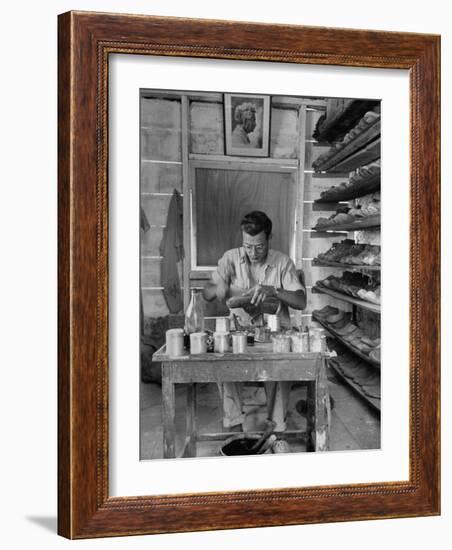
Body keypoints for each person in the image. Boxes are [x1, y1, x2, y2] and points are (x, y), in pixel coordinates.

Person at [203, 211, 306, 432]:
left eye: (259, 246)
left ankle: (276, 429)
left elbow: (301, 300)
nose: (253, 252)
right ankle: (234, 424)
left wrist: (274, 291)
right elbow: (207, 292)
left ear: (269, 238)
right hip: (240, 332)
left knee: (280, 366)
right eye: (248, 246)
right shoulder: (230, 258)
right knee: (224, 362)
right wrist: (216, 288)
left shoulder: (282, 262)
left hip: (275, 333)